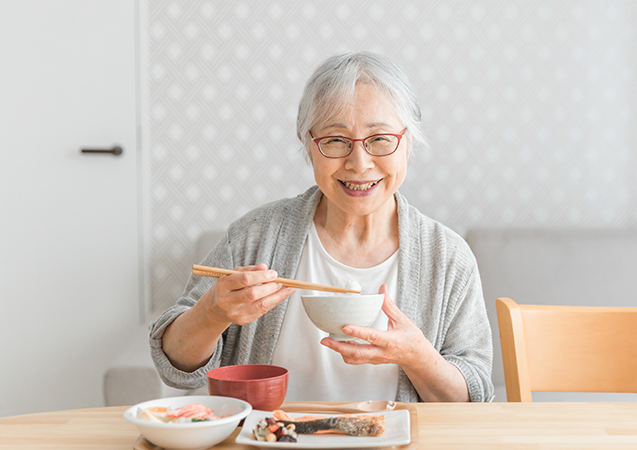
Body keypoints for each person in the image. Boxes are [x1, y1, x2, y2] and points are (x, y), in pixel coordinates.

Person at [149, 51, 494, 403]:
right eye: (335, 140)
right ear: (309, 146)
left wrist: (417, 356)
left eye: (380, 139)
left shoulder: (447, 257)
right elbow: (173, 365)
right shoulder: (255, 237)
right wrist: (213, 312)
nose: (359, 164)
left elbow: (474, 399)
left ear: (407, 143)